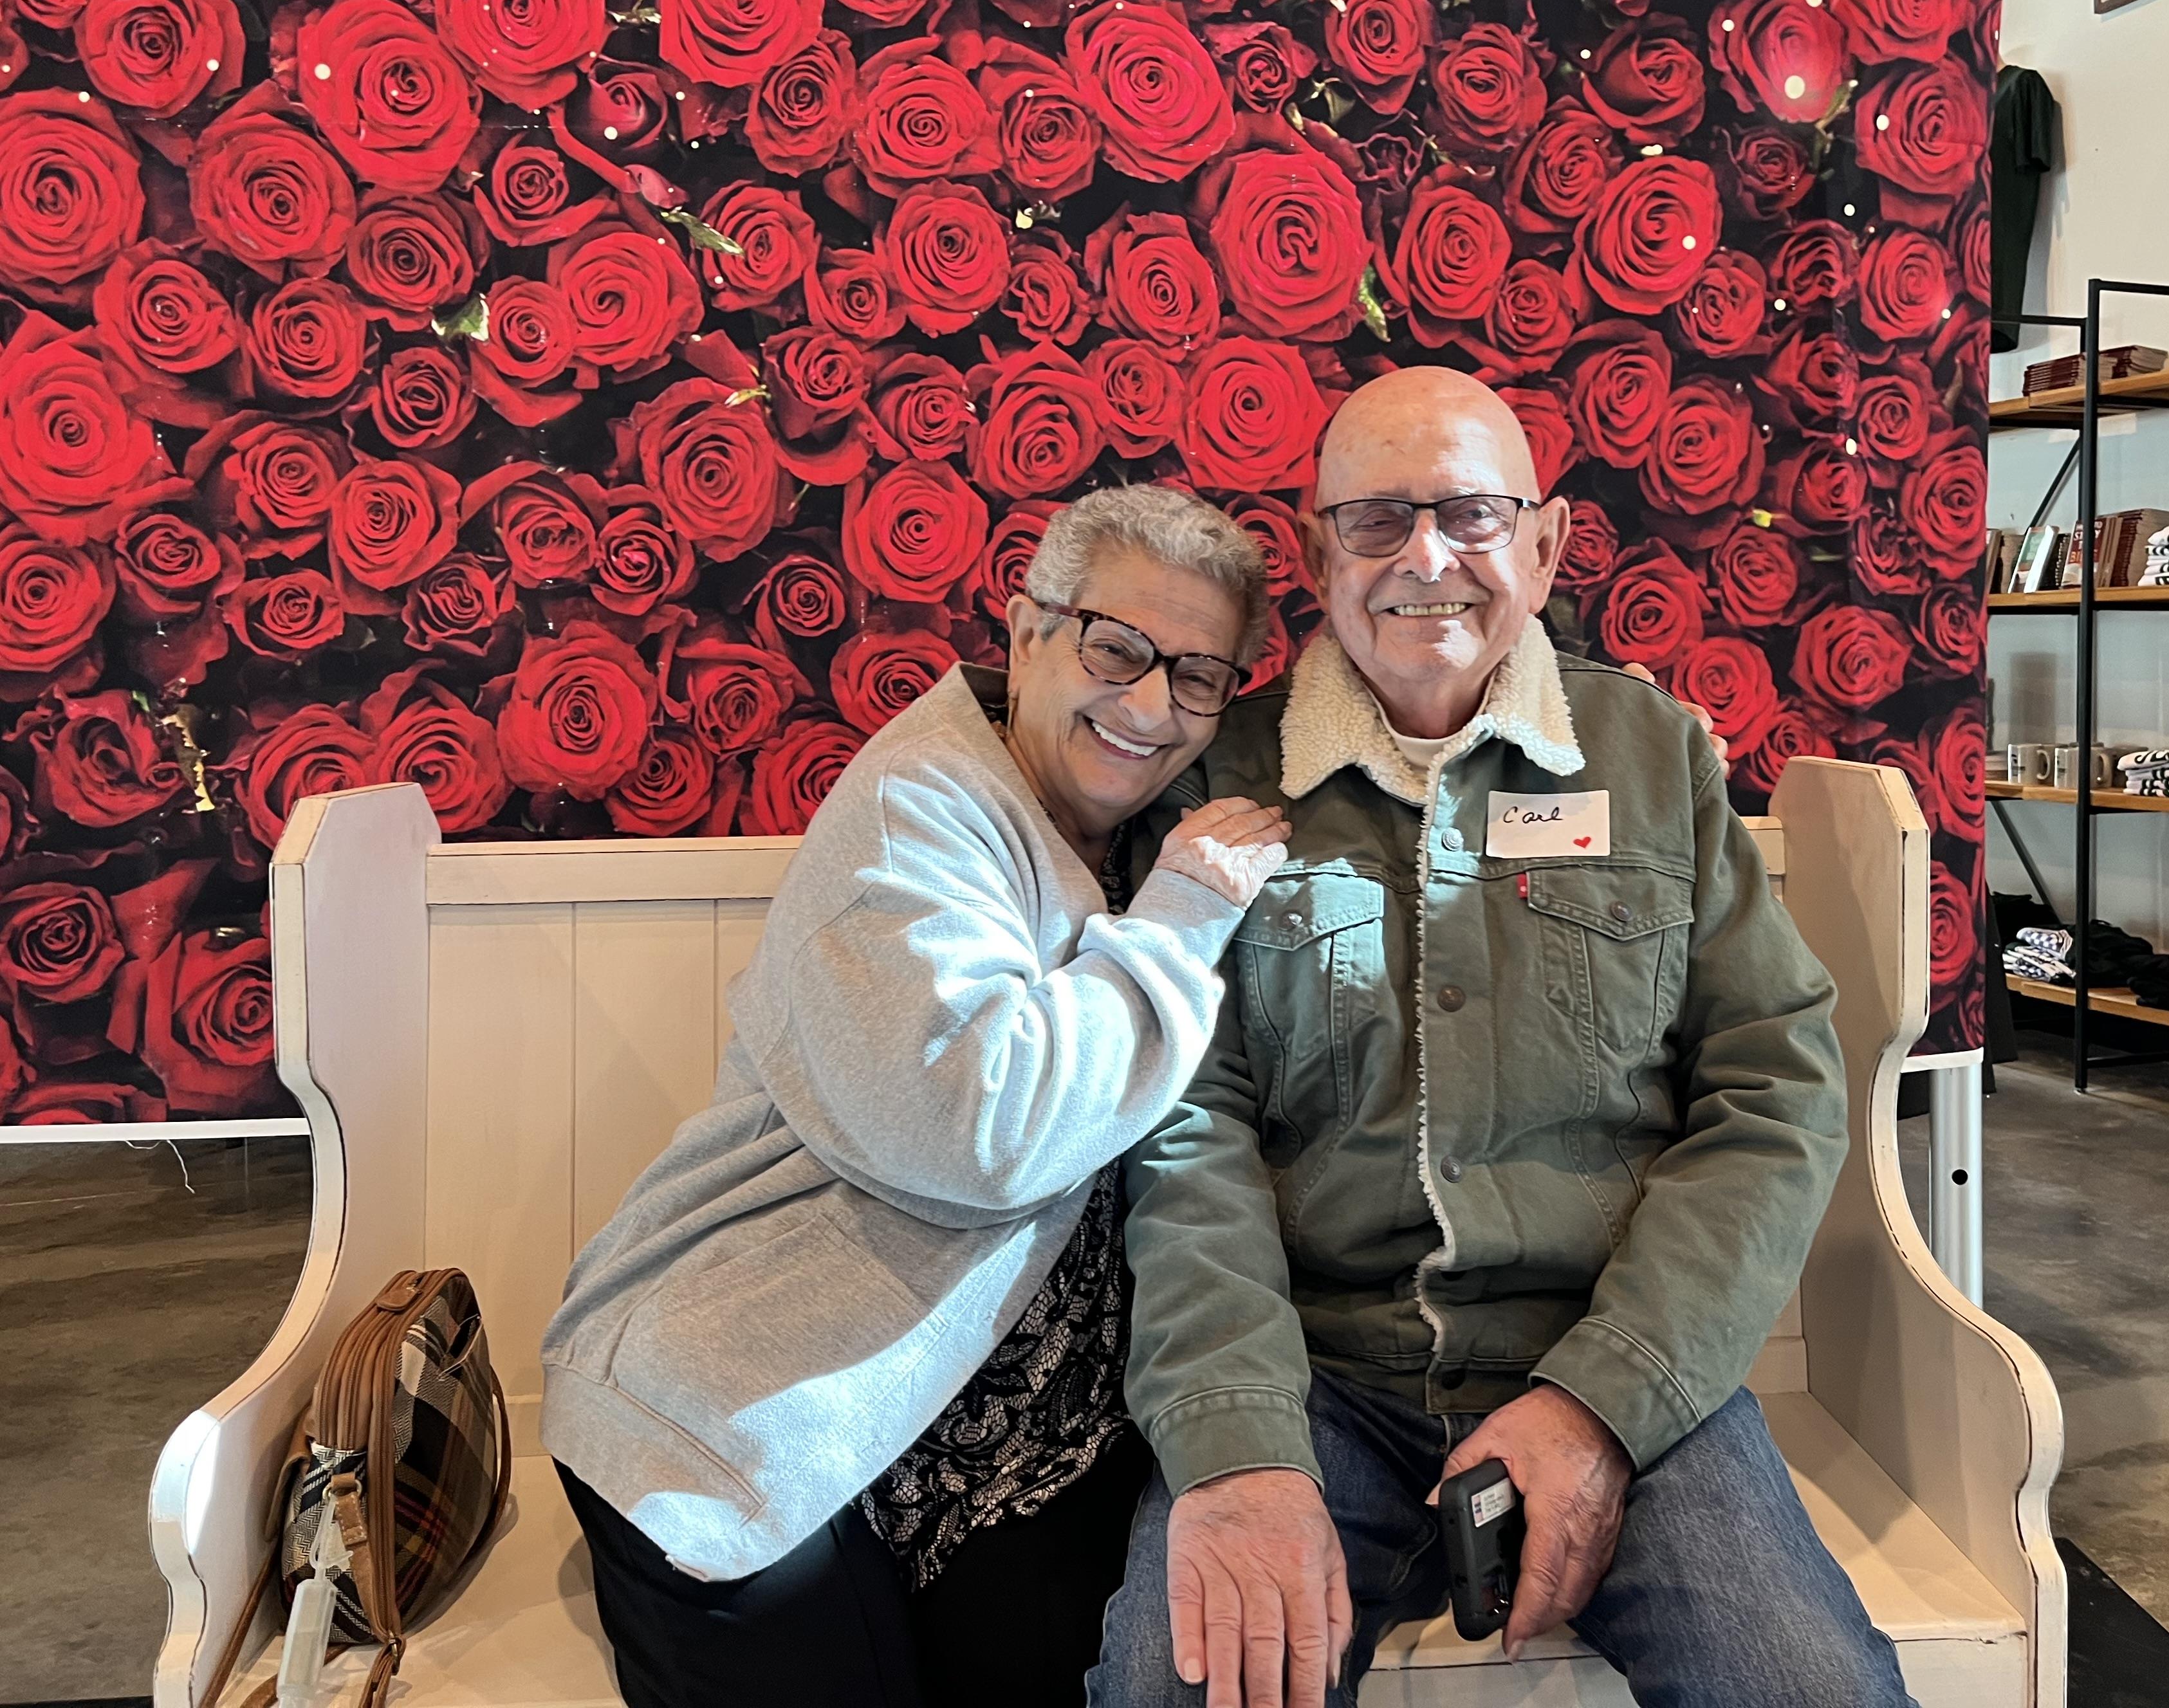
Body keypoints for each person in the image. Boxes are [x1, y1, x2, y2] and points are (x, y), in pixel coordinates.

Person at [1091, 370, 1912, 1708]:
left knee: (1807, 1686)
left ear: (1543, 546)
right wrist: (1235, 1449)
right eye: (1374, 521)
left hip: (1619, 1374)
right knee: (1174, 1691)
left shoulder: (1652, 759)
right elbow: (1186, 1137)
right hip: (1312, 1381)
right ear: (1315, 554)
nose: (1426, 557)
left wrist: (1606, 1400)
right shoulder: (1220, 782)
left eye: (1472, 514)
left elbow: (1775, 1088)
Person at [540, 486, 1293, 1708]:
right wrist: (1187, 916)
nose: (1152, 707)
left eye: (1199, 678)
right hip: (751, 1397)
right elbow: (985, 1132)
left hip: (1012, 1429)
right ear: (1029, 629)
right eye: (1117, 648)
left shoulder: (1137, 824)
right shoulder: (923, 809)